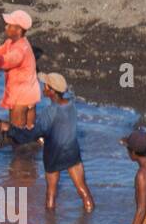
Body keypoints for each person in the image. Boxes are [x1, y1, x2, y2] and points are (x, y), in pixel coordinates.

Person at [27, 72, 95, 212]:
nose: (43, 88)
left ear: (51, 91)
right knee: (83, 190)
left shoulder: (49, 111)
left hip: (54, 155)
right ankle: (88, 217)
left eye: (45, 86)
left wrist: (12, 130)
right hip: (72, 152)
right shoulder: (71, 105)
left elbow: (36, 132)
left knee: (51, 194)